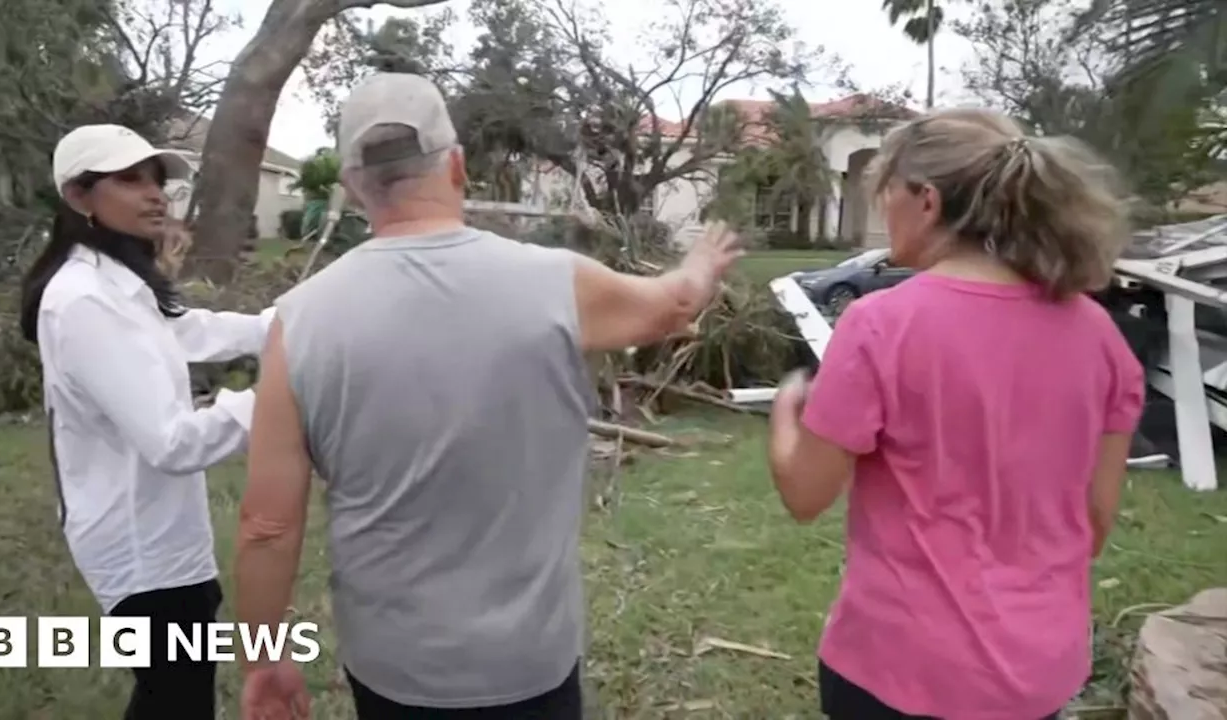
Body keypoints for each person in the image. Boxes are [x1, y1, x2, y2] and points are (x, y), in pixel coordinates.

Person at [231, 72, 743, 720]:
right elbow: (672, 306)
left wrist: (263, 658)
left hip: (393, 665)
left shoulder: (299, 323)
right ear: (457, 166)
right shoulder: (557, 286)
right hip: (529, 663)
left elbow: (266, 527)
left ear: (353, 186)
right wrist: (699, 264)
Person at [766, 107, 1146, 720]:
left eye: (885, 191)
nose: (882, 207)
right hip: (1037, 675)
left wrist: (788, 410)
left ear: (927, 200)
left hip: (898, 670)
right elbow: (1093, 524)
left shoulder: (880, 325)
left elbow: (805, 495)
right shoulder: (1098, 334)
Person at [19, 124, 276, 720]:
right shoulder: (82, 300)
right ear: (80, 196)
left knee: (174, 692)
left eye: (157, 180)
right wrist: (273, 400)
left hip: (158, 532)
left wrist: (285, 324)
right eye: (130, 180)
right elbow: (172, 442)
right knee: (176, 697)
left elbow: (190, 330)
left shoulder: (117, 285)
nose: (156, 194)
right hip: (139, 547)